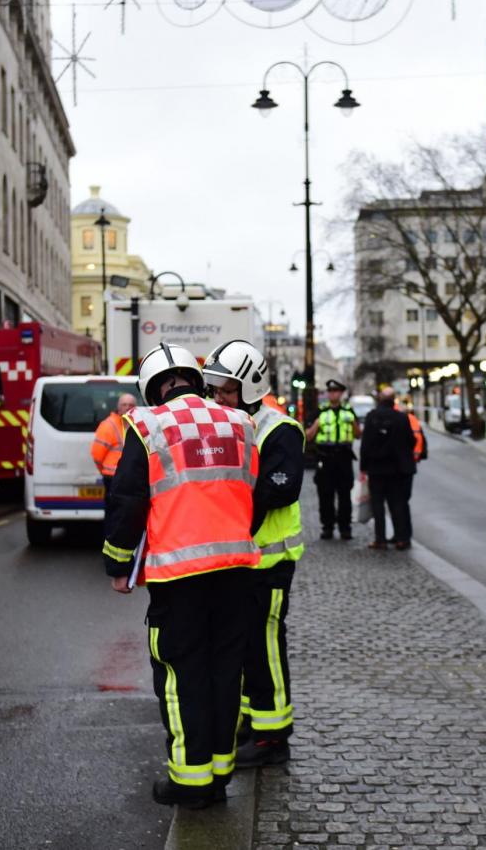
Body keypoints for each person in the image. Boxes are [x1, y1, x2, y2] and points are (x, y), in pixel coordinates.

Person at [100, 342, 260, 811]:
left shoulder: (145, 425)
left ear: (153, 387)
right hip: (236, 571)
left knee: (180, 674)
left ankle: (190, 780)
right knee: (227, 672)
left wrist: (117, 565)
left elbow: (128, 501)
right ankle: (218, 773)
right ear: (195, 377)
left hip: (178, 577)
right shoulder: (241, 423)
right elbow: (247, 490)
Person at [202, 340, 305, 769]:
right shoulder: (234, 424)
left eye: (226, 390)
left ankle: (272, 736)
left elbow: (281, 487)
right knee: (246, 647)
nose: (218, 398)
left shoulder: (278, 429)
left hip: (270, 561)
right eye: (215, 390)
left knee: (265, 646)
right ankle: (251, 719)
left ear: (250, 386)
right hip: (243, 560)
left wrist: (235, 508)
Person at [360, 386, 416, 551]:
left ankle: (381, 539)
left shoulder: (371, 417)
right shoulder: (401, 418)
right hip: (397, 469)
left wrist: (363, 467)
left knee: (378, 506)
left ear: (379, 399)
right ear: (393, 400)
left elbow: (365, 444)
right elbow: (411, 441)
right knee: (397, 504)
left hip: (376, 469)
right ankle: (401, 539)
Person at [306, 380, 360, 540]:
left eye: (336, 391)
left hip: (344, 457)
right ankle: (327, 527)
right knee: (325, 494)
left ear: (341, 393)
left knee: (344, 494)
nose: (333, 394)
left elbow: (358, 435)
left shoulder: (349, 411)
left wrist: (353, 423)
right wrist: (316, 424)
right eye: (330, 391)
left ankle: (345, 528)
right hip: (325, 458)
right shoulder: (319, 412)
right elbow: (308, 436)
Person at [90, 391, 136, 495]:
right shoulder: (108, 425)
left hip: (132, 477)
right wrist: (104, 471)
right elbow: (97, 455)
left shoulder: (138, 424)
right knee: (113, 509)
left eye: (131, 405)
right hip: (113, 477)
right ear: (118, 407)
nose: (127, 407)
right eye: (124, 404)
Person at [406, 398, 428, 465]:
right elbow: (421, 436)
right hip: (416, 453)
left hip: (410, 453)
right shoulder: (414, 419)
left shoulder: (403, 419)